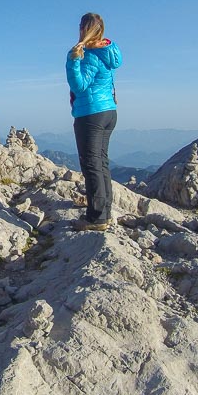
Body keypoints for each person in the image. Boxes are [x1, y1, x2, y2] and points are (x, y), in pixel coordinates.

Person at [66, 12, 122, 231]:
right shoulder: (107, 50)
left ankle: (96, 218)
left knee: (91, 165)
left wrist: (72, 61)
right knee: (101, 162)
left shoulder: (87, 55)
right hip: (109, 111)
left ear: (84, 28)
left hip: (90, 114)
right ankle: (104, 211)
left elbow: (79, 85)